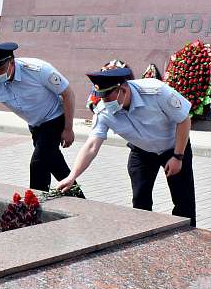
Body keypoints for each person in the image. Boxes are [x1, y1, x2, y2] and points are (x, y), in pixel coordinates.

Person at [56, 68, 196, 225]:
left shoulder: (156, 92)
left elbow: (184, 119)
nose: (105, 102)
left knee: (183, 200)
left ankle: (189, 239)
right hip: (141, 150)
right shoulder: (104, 112)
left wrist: (178, 156)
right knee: (140, 200)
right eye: (101, 98)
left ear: (123, 89)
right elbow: (91, 146)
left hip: (174, 146)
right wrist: (72, 176)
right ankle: (143, 237)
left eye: (108, 97)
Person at [0, 43, 76, 192]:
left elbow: (68, 94)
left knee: (38, 163)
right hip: (35, 126)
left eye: (0, 68)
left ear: (11, 62)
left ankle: (34, 206)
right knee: (54, 163)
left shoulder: (38, 70)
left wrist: (68, 129)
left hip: (55, 118)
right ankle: (80, 200)